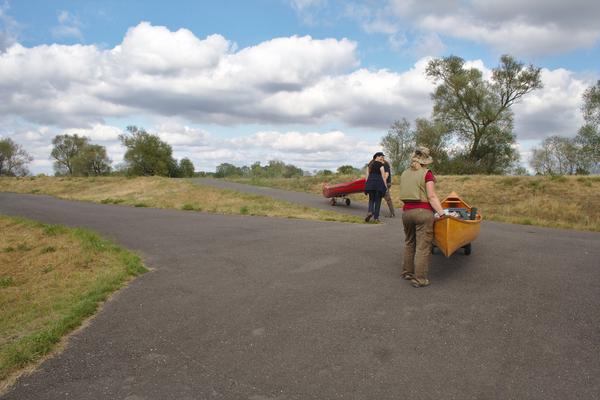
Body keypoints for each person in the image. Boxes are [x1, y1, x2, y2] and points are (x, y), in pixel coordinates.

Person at [397, 146, 445, 288]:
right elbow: (431, 196)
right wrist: (442, 213)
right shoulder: (427, 174)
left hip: (406, 213)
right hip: (423, 213)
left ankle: (407, 272)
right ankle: (420, 279)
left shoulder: (404, 173)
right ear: (426, 161)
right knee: (423, 247)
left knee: (409, 242)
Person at [364, 152, 388, 223]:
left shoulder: (369, 165)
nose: (382, 158)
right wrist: (385, 186)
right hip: (378, 184)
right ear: (376, 157)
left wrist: (366, 185)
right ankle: (376, 218)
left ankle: (370, 211)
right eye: (381, 156)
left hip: (370, 184)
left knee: (371, 200)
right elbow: (383, 176)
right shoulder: (381, 165)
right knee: (378, 201)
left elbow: (367, 176)